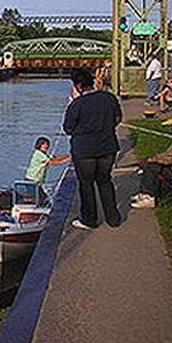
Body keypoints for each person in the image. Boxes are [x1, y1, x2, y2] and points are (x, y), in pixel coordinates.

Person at [63, 68, 122, 229]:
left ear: (79, 86)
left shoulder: (77, 104)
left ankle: (89, 219)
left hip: (85, 151)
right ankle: (113, 218)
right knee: (105, 181)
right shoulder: (109, 98)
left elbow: (68, 128)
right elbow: (118, 118)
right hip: (107, 147)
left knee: (86, 184)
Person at [131, 114, 172, 209]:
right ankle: (144, 193)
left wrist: (149, 159)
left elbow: (170, 158)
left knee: (151, 166)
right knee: (153, 165)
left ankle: (148, 196)